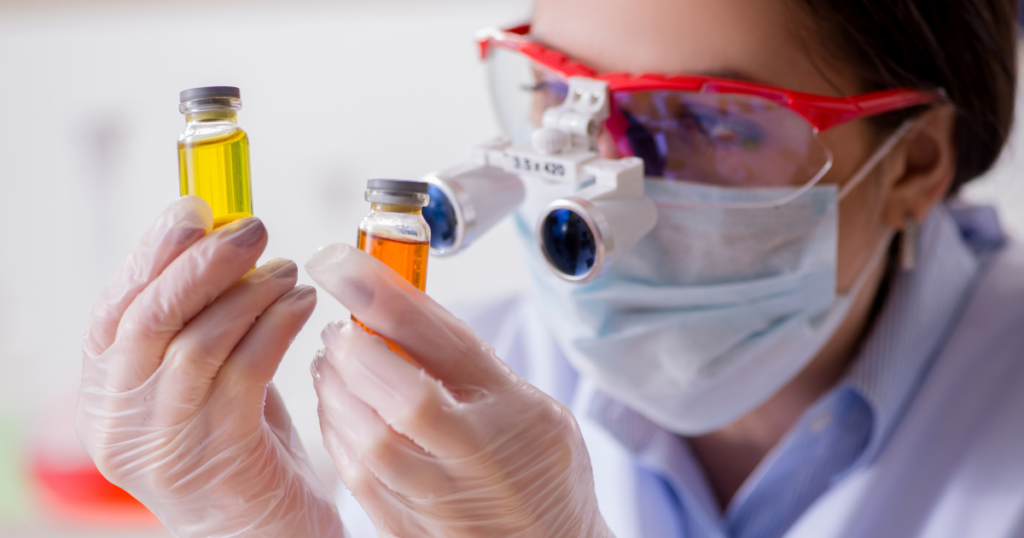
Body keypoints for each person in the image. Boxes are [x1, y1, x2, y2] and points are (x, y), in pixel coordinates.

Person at [75, 0, 1024, 536]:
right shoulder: (456, 393)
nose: (606, 174)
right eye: (557, 91)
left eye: (707, 119)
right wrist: (264, 526)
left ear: (914, 165)